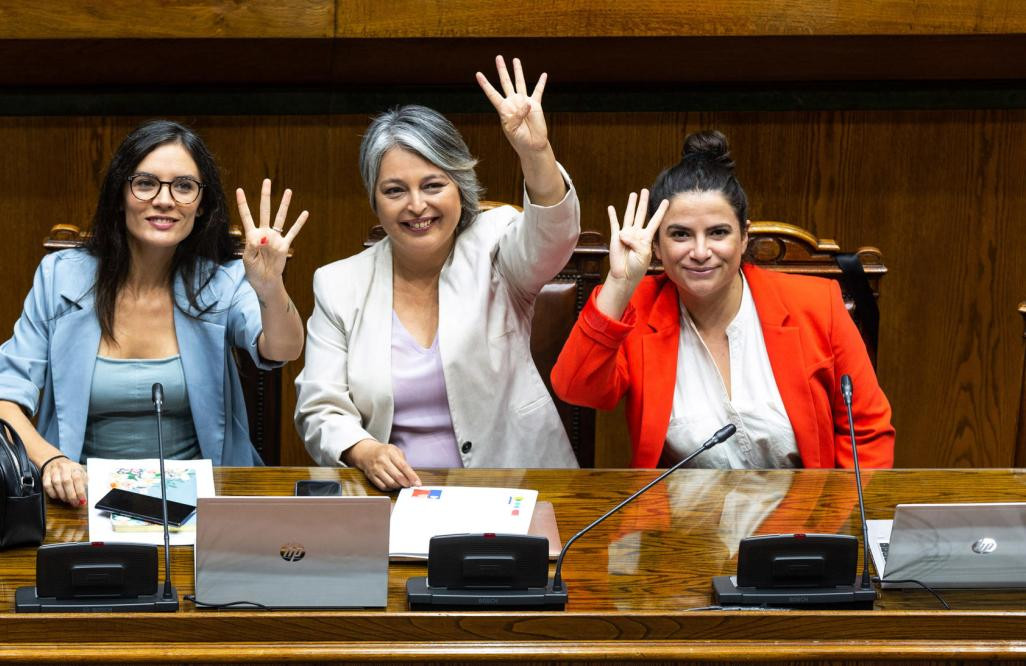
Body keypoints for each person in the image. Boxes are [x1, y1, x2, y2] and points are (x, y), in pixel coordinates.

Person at [0, 119, 307, 505]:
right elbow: (1, 403)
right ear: (120, 193)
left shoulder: (222, 281)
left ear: (202, 206)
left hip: (205, 502)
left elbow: (283, 349)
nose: (165, 199)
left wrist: (270, 285)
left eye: (184, 186)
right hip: (80, 502)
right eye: (146, 183)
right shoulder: (60, 278)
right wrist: (52, 461)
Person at [294, 56, 580, 490]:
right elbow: (319, 407)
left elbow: (553, 238)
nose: (416, 205)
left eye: (433, 185)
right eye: (394, 190)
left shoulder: (496, 241)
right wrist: (363, 449)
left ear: (459, 188)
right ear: (375, 201)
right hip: (395, 496)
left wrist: (534, 152)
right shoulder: (338, 283)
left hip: (518, 483)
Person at [551, 130, 894, 469]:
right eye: (680, 234)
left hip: (802, 518)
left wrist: (840, 518)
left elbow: (868, 433)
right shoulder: (638, 309)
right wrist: (619, 284)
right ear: (656, 245)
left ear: (744, 236)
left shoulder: (817, 304)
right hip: (683, 518)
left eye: (718, 232)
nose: (700, 252)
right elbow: (575, 388)